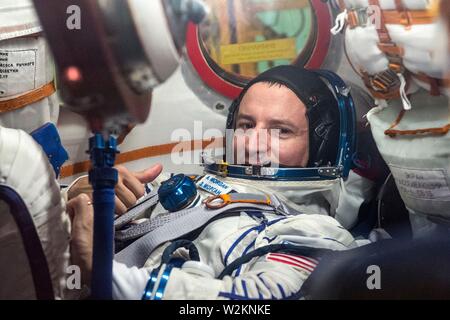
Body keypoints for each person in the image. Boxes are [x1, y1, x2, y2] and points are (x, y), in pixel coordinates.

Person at [68, 65, 377, 300]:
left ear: (322, 149)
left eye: (281, 130)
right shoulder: (180, 183)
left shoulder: (311, 233)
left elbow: (253, 301)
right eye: (246, 125)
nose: (253, 142)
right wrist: (83, 192)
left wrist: (108, 276)